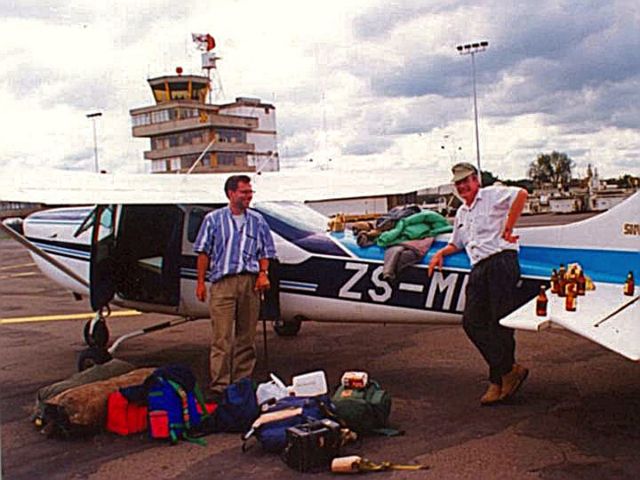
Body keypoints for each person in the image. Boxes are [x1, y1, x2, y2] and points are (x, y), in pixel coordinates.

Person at [428, 162, 529, 406]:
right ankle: (508, 370)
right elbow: (458, 243)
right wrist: (441, 253)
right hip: (480, 267)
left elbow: (521, 194)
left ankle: (497, 381)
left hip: (501, 261)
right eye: (458, 183)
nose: (463, 186)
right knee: (472, 322)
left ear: (477, 181)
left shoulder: (491, 195)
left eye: (466, 181)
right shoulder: (462, 213)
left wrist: (508, 227)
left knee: (500, 323)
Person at [194, 174, 276, 397]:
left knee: (246, 337)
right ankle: (220, 385)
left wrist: (263, 273)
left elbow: (265, 251)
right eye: (244, 192)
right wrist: (201, 282)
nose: (249, 196)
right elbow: (203, 252)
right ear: (231, 194)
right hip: (222, 283)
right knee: (221, 338)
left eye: (250, 192)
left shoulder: (257, 220)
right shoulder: (213, 219)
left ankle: (242, 382)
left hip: (250, 283)